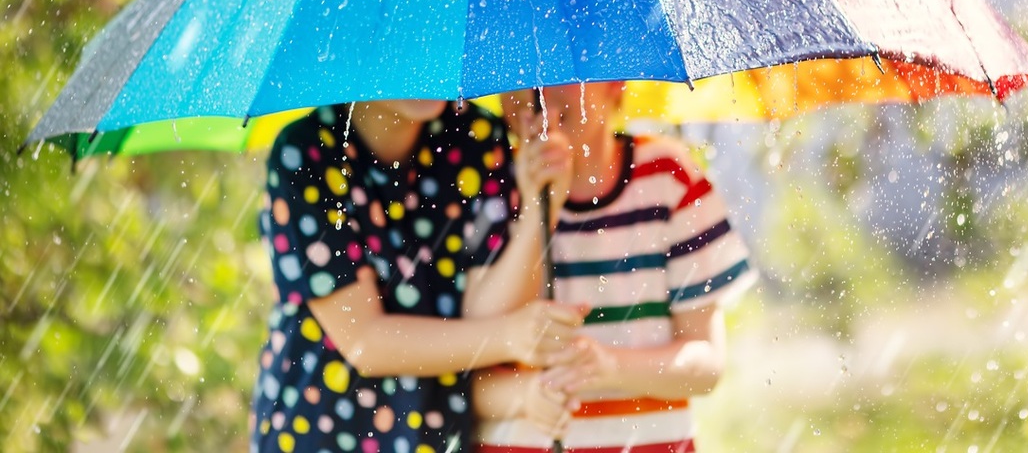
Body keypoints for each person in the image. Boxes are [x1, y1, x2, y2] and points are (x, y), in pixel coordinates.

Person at [251, 98, 587, 453]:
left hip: (433, 431)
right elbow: (365, 342)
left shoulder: (477, 135)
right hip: (320, 428)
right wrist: (507, 336)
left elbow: (483, 316)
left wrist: (539, 207)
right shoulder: (306, 152)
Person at [473, 83, 757, 452]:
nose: (537, 93)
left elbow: (705, 364)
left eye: (561, 71)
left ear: (614, 83)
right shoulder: (486, 184)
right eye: (518, 73)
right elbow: (465, 371)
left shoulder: (668, 179)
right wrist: (540, 209)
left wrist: (609, 366)